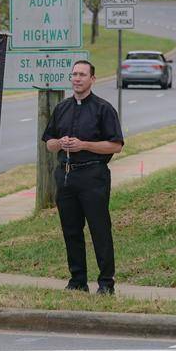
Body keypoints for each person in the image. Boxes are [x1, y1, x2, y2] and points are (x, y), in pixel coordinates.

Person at [42, 60, 124, 295]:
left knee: (100, 230)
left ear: (92, 79)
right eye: (74, 74)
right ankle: (77, 280)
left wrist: (84, 145)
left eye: (82, 75)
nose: (77, 79)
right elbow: (49, 143)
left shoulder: (103, 108)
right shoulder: (62, 108)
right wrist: (60, 143)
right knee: (71, 230)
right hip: (66, 176)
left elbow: (116, 146)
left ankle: (106, 283)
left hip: (93, 176)